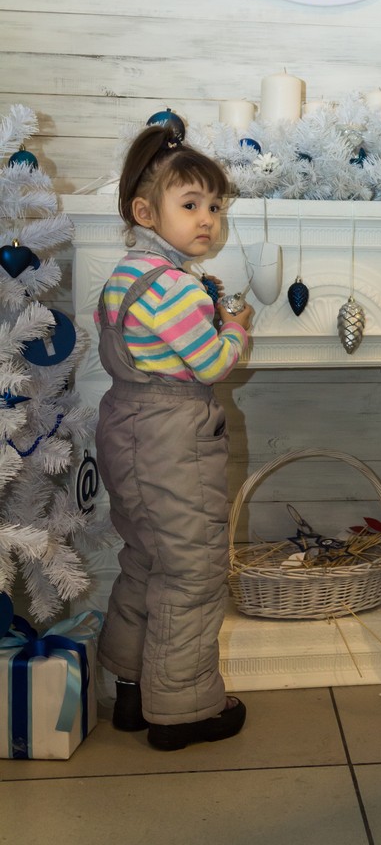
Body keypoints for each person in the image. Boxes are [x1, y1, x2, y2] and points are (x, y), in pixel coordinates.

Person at [94, 123, 254, 751]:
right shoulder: (174, 285)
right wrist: (236, 328)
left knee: (146, 558)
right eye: (190, 205)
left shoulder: (124, 277)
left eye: (215, 206)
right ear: (145, 212)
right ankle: (182, 712)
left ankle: (131, 691)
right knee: (193, 571)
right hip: (171, 438)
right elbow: (211, 364)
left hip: (126, 426)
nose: (207, 219)